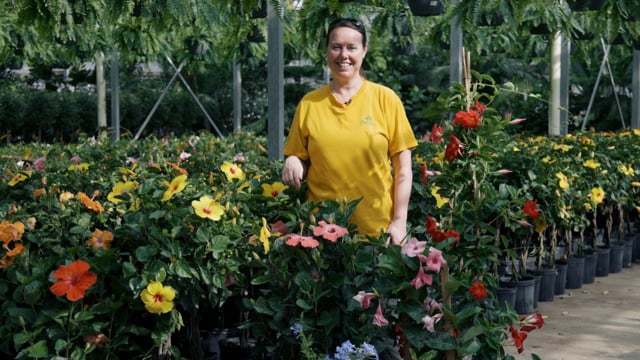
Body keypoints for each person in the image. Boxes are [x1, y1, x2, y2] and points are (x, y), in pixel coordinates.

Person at [281, 18, 417, 245]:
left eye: (351, 47)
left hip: (376, 234)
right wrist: (293, 159)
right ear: (326, 51)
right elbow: (301, 159)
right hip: (321, 234)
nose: (343, 55)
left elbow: (403, 170)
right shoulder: (309, 104)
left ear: (364, 51)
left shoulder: (386, 100)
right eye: (336, 47)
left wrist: (399, 222)